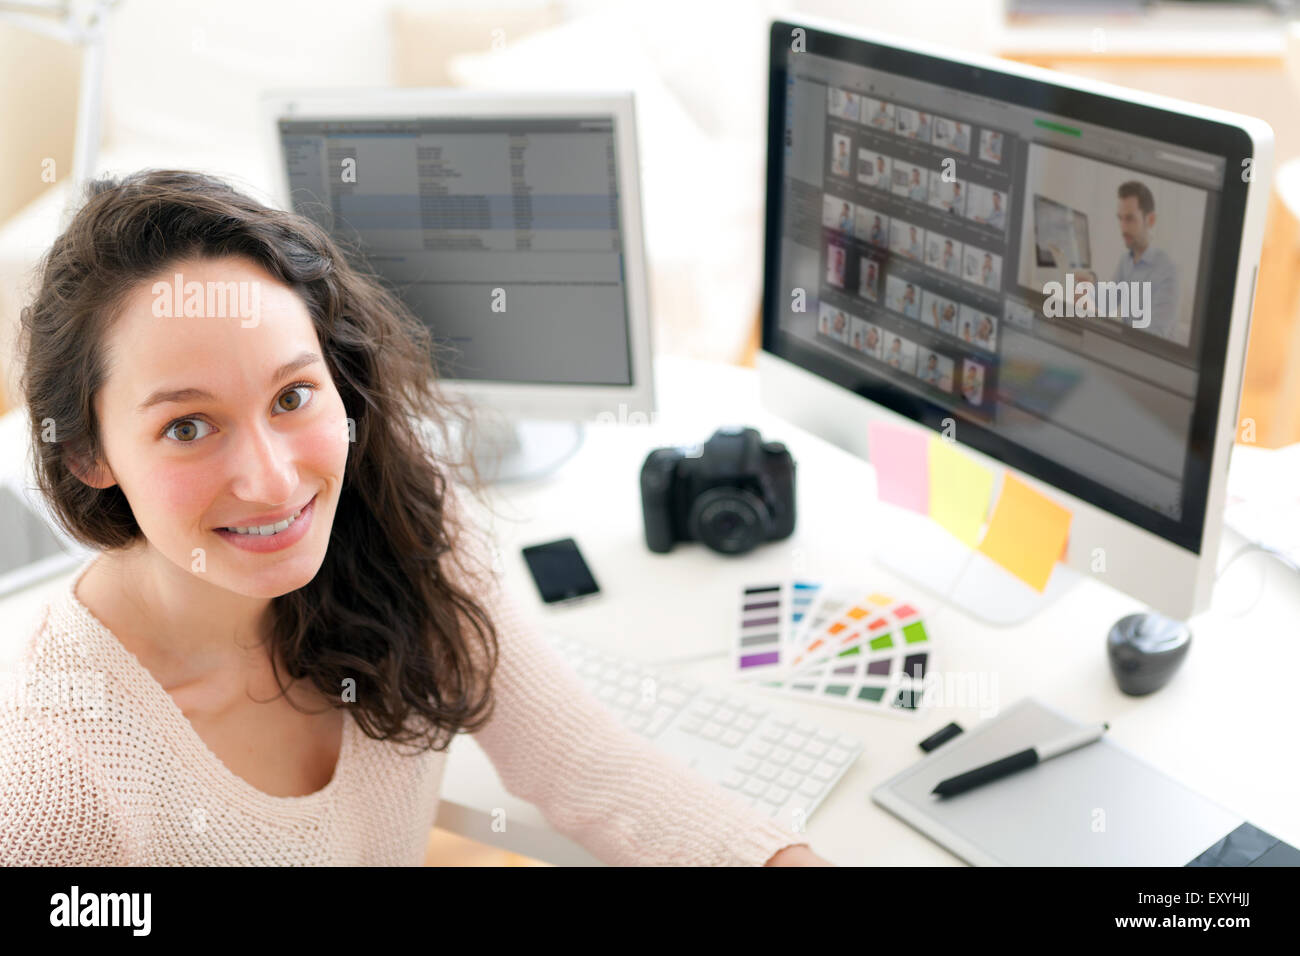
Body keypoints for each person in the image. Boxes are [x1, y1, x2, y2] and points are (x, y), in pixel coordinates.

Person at [0, 170, 826, 867]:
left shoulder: (405, 530)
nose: (273, 478)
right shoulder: (58, 778)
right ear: (88, 456)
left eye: (292, 396)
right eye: (188, 426)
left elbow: (587, 766)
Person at [1076, 180, 1180, 342]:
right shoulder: (1127, 260)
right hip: (1126, 350)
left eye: (1130, 219)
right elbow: (1107, 302)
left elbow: (1154, 339)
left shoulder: (1167, 271)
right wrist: (1090, 283)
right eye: (1120, 219)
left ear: (1150, 220)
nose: (1123, 228)